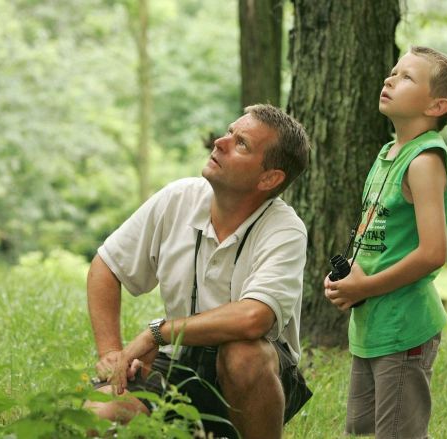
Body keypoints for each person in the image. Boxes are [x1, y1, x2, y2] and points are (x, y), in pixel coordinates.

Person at [85, 104, 313, 439]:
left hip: (257, 376)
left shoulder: (285, 229)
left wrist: (157, 333)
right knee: (97, 415)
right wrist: (112, 355)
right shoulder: (179, 197)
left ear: (269, 178)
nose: (220, 142)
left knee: (242, 353)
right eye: (229, 133)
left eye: (241, 144)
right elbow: (106, 265)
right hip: (175, 363)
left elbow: (254, 318)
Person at [324, 46, 447, 438]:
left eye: (406, 77)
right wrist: (348, 277)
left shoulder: (425, 161)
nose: (389, 80)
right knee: (363, 429)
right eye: (393, 72)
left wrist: (365, 286)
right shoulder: (389, 153)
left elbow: (433, 253)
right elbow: (375, 230)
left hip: (404, 325)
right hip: (372, 323)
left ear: (438, 105)